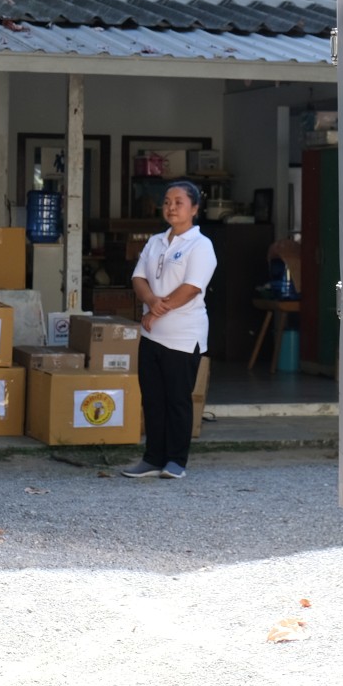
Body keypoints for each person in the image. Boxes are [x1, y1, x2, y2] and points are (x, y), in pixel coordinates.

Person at [123, 179, 217, 480]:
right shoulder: (155, 242)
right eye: (166, 202)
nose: (171, 207)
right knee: (152, 398)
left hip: (183, 335)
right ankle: (152, 458)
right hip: (151, 334)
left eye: (178, 202)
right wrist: (151, 302)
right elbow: (138, 278)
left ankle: (176, 460)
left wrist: (155, 311)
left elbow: (192, 287)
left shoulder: (201, 245)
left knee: (177, 399)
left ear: (194, 208)